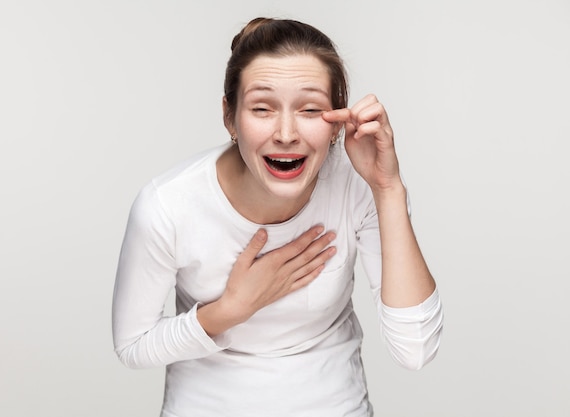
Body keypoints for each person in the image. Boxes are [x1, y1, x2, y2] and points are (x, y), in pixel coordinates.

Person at [112, 17, 443, 417]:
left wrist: (388, 189)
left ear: (337, 120)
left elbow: (416, 349)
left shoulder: (360, 183)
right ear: (230, 117)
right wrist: (231, 309)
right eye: (262, 108)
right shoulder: (168, 205)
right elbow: (133, 345)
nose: (286, 133)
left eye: (309, 109)